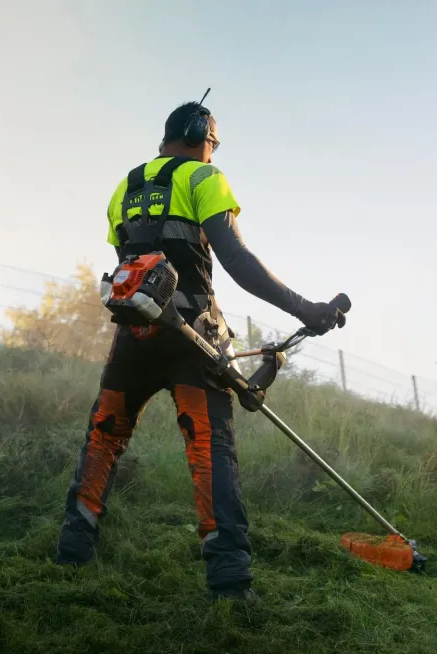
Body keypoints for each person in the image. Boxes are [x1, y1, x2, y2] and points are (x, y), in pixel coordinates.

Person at [53, 99, 346, 601]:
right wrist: (306, 309)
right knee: (210, 450)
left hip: (135, 335)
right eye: (214, 142)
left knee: (104, 437)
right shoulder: (204, 178)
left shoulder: (125, 187)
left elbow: (130, 263)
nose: (213, 152)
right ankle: (230, 583)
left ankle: (71, 552)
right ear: (199, 135)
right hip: (194, 340)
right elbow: (235, 257)